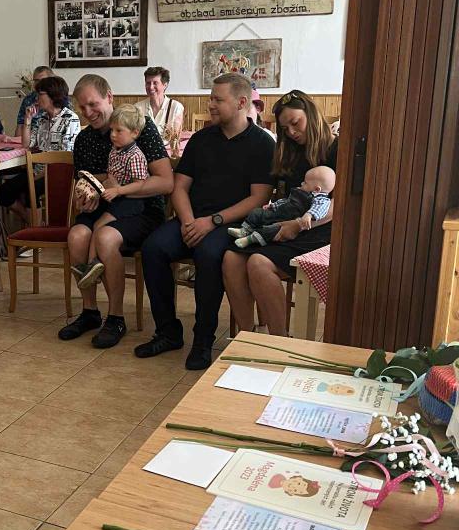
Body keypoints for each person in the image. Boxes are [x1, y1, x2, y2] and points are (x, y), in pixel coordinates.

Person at [135, 73, 274, 371]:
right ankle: (168, 332)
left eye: (217, 99)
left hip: (232, 224)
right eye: (210, 98)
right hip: (192, 219)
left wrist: (212, 221)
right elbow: (179, 186)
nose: (210, 104)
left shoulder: (262, 143)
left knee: (209, 254)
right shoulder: (201, 140)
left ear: (241, 103)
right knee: (153, 248)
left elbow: (258, 198)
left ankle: (203, 340)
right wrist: (188, 221)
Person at [58, 75, 173, 349]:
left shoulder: (139, 127)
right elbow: (84, 181)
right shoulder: (84, 139)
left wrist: (119, 190)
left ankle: (116, 317)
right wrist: (84, 195)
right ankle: (89, 311)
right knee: (77, 236)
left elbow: (166, 182)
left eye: (93, 104)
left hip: (142, 209)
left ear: (109, 97)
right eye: (81, 107)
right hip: (103, 207)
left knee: (105, 237)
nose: (87, 112)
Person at [223, 90, 339, 337]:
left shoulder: (338, 148)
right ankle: (247, 336)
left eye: (295, 123)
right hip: (287, 221)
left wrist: (296, 225)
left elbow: (340, 206)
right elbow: (282, 195)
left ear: (311, 114)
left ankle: (279, 340)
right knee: (231, 259)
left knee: (259, 263)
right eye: (285, 129)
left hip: (319, 227)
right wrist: (273, 211)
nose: (292, 132)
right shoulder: (291, 151)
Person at [72, 103, 150, 289]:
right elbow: (111, 175)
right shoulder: (115, 150)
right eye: (112, 130)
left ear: (135, 133)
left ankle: (91, 264)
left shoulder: (135, 155)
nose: (113, 135)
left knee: (99, 225)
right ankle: (92, 265)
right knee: (95, 224)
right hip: (116, 199)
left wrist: (118, 190)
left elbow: (140, 184)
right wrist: (98, 187)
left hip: (131, 202)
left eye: (119, 131)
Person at [0, 75, 79, 221]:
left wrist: (38, 175)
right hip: (37, 170)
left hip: (58, 172)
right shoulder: (42, 118)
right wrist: (28, 120)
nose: (36, 98)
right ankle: (35, 223)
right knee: (4, 192)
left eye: (40, 94)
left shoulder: (70, 118)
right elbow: (27, 144)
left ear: (53, 95)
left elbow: (65, 156)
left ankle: (37, 227)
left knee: (31, 189)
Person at [229, 165, 335, 247]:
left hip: (287, 222)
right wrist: (273, 206)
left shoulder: (321, 200)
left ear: (317, 189)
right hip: (278, 212)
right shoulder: (300, 191)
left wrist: (309, 215)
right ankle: (244, 230)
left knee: (270, 230)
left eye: (305, 183)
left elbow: (320, 209)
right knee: (257, 212)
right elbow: (287, 201)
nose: (302, 183)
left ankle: (249, 239)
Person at [137, 66, 184, 136]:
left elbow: (175, 137)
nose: (151, 87)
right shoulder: (137, 108)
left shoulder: (176, 107)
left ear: (165, 85)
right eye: (148, 83)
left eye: (155, 83)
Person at [15, 65, 54, 137]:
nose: (39, 84)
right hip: (29, 139)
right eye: (36, 81)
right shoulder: (28, 99)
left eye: (42, 80)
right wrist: (16, 142)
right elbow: (20, 125)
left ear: (51, 81)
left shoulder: (60, 99)